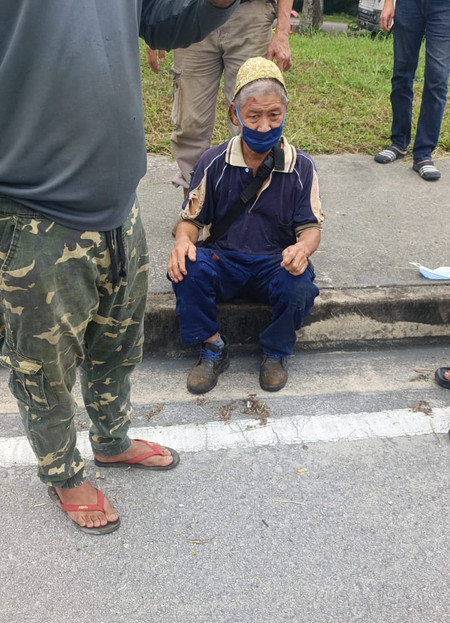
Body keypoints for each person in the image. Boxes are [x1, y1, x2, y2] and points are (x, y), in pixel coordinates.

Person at [0, 0, 237, 535]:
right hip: (34, 213)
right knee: (44, 368)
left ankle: (110, 440)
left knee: (118, 343)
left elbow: (159, 19)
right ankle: (63, 473)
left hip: (118, 204)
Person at [167, 57, 323, 395]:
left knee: (299, 285)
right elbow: (191, 220)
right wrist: (182, 242)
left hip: (274, 263)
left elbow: (311, 228)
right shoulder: (213, 162)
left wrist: (302, 249)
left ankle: (275, 352)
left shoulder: (302, 166)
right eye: (253, 116)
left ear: (285, 111)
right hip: (225, 259)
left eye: (274, 115)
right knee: (185, 268)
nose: (264, 126)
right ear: (235, 115)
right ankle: (212, 346)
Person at [146, 0, 293, 194]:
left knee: (254, 121)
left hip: (250, 15)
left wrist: (282, 31)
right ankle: (195, 203)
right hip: (191, 12)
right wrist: (155, 21)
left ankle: (251, 201)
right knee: (190, 123)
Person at [374, 0, 450, 181]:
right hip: (409, 4)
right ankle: (398, 142)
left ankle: (423, 154)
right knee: (401, 73)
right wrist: (388, 3)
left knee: (437, 79)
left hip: (444, 7)